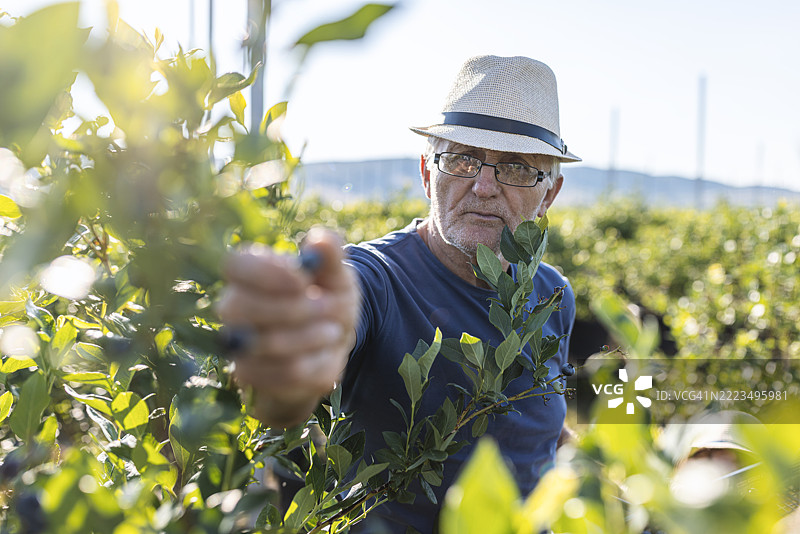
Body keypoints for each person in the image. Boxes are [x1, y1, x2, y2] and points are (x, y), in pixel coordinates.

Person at [218, 55, 580, 533]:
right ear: (429, 173)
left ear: (548, 194)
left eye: (515, 167)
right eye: (462, 159)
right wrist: (290, 363)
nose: (484, 186)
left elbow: (540, 427)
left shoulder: (553, 294)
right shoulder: (378, 280)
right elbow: (329, 330)